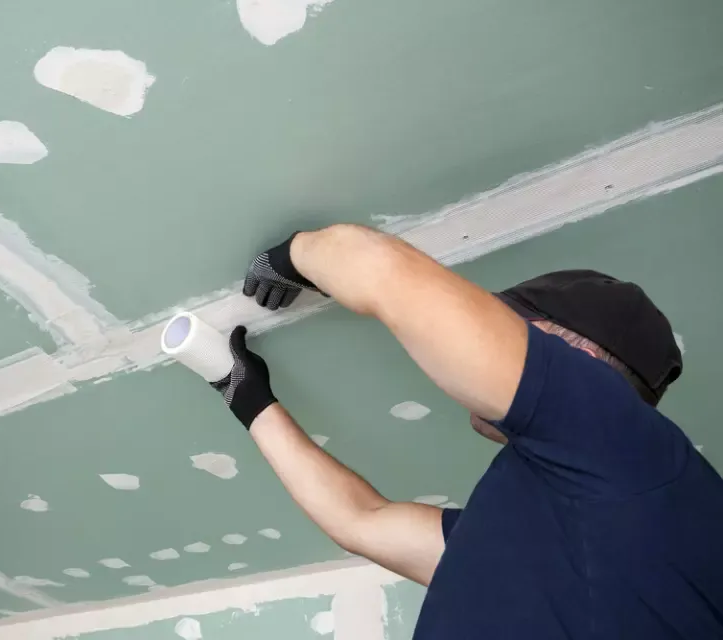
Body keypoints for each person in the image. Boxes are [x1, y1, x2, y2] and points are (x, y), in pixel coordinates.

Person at [205, 224, 723, 638]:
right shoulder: (567, 519)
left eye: (512, 327)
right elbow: (360, 521)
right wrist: (245, 397)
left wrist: (293, 256)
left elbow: (380, 268)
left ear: (580, 363)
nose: (481, 334)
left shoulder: (629, 451)